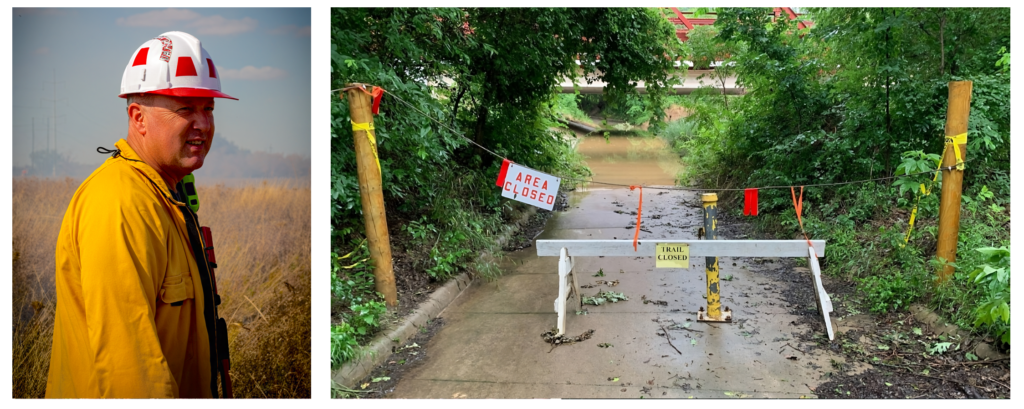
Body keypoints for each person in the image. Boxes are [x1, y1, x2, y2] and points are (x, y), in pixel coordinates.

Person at [46, 31, 236, 398]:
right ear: (138, 117)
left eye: (208, 108)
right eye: (185, 108)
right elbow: (128, 370)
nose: (204, 124)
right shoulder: (120, 203)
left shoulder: (164, 194)